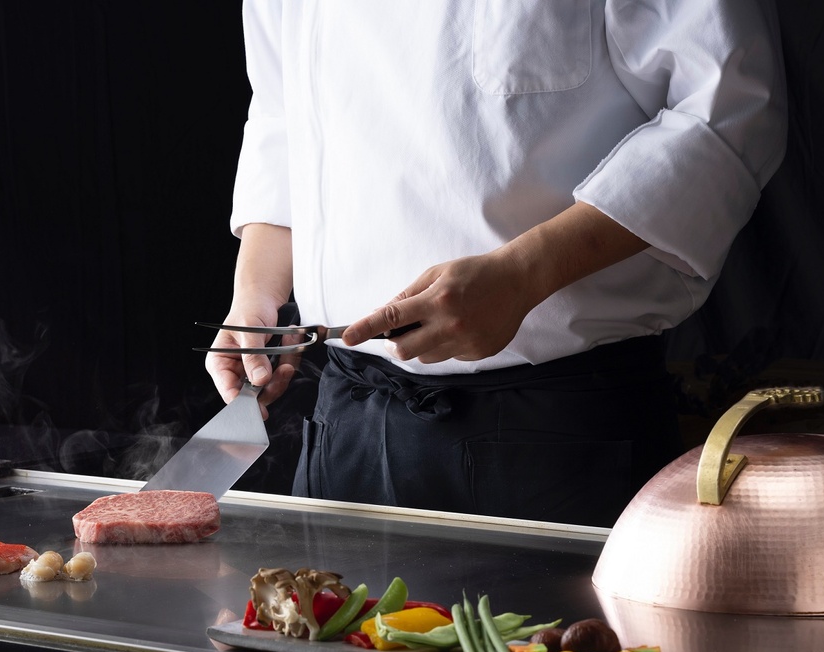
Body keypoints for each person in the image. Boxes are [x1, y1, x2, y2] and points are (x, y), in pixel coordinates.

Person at [207, 1, 788, 526]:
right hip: (347, 426)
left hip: (557, 440)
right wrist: (255, 293)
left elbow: (731, 109)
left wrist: (525, 273)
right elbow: (283, 115)